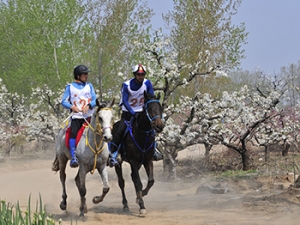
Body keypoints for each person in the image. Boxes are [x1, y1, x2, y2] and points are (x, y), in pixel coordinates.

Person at [108, 63, 163, 167]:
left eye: (142, 74)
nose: (140, 76)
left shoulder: (147, 83)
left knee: (151, 130)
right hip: (128, 113)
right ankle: (114, 154)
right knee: (120, 130)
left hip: (142, 112)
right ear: (135, 74)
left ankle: (154, 150)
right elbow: (124, 101)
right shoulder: (127, 85)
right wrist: (133, 113)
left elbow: (151, 96)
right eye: (138, 74)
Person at [61, 65, 97, 168]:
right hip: (77, 116)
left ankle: (109, 155)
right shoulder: (70, 87)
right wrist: (72, 106)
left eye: (87, 74)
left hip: (90, 115)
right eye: (84, 74)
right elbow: (63, 101)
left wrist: (89, 105)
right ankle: (73, 157)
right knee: (73, 133)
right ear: (78, 75)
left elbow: (94, 99)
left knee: (103, 130)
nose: (87, 76)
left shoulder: (89, 86)